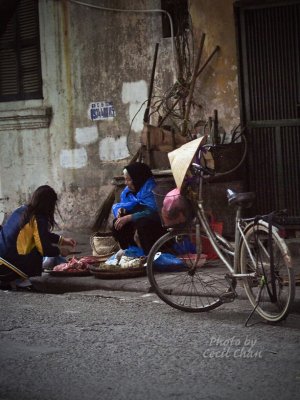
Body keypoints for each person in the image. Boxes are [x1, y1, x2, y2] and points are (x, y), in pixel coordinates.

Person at [0, 185, 76, 289]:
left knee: (35, 243)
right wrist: (59, 251)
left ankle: (12, 281)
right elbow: (43, 248)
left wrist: (62, 240)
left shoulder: (22, 210)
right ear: (49, 204)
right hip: (9, 267)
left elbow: (41, 234)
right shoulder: (38, 218)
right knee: (37, 248)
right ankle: (23, 282)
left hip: (2, 261)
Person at [111, 162, 165, 255]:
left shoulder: (151, 190)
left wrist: (129, 217)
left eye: (129, 180)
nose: (126, 183)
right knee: (117, 222)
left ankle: (149, 255)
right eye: (125, 179)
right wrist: (123, 210)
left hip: (155, 226)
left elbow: (152, 212)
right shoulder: (128, 192)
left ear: (137, 179)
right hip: (137, 222)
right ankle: (129, 251)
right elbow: (125, 204)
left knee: (142, 224)